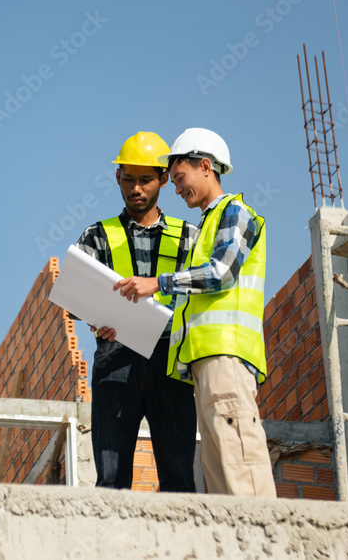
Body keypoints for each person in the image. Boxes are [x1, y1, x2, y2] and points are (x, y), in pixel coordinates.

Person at [114, 127, 275, 497]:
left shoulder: (234, 212)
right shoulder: (206, 226)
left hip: (226, 355)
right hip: (205, 362)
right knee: (219, 471)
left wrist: (158, 282)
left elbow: (221, 273)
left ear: (205, 166)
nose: (176, 188)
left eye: (180, 178)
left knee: (240, 462)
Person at [75, 132, 199, 492]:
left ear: (163, 179)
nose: (135, 188)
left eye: (145, 179)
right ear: (118, 177)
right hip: (116, 358)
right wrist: (96, 318)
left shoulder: (189, 236)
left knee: (179, 478)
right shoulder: (97, 235)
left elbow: (204, 291)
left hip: (171, 359)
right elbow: (75, 296)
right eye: (128, 178)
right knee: (111, 479)